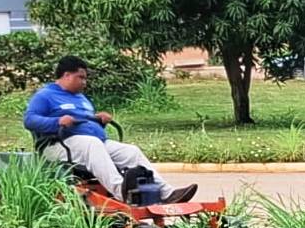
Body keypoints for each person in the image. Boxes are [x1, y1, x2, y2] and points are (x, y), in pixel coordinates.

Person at [23, 56, 197, 203]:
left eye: (85, 78)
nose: (85, 82)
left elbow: (86, 125)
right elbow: (30, 120)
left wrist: (100, 121)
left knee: (130, 152)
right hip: (58, 146)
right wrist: (57, 121)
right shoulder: (45, 95)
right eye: (80, 77)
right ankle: (122, 193)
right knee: (92, 144)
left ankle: (166, 194)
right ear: (67, 75)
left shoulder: (81, 98)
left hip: (88, 144)